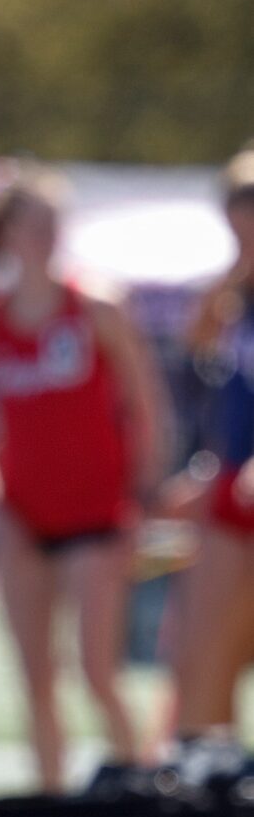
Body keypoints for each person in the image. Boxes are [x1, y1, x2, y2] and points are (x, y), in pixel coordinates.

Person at [0, 161, 169, 792]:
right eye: (36, 224)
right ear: (7, 234)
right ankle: (56, 814)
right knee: (37, 682)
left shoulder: (95, 306)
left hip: (98, 518)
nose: (48, 235)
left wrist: (139, 495)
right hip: (24, 522)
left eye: (55, 223)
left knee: (97, 672)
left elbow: (145, 405)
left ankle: (143, 796)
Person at [169, 148, 254, 770]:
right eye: (236, 207)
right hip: (230, 489)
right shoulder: (234, 294)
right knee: (201, 655)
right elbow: (196, 342)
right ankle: (218, 787)